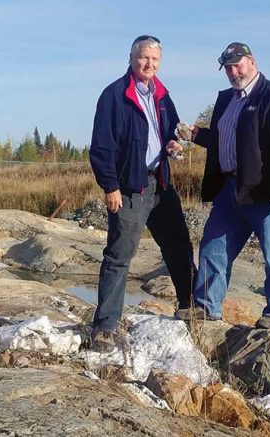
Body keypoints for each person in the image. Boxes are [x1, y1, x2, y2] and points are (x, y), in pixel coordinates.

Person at [176, 42, 270, 329]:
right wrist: (196, 134)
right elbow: (224, 141)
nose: (233, 71)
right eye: (228, 67)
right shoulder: (227, 100)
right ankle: (207, 307)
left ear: (252, 62)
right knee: (213, 245)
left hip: (265, 193)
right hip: (230, 189)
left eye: (238, 64)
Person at [89, 35, 196, 351]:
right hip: (130, 188)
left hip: (161, 183)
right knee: (119, 256)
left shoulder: (162, 95)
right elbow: (101, 147)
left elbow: (172, 132)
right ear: (132, 58)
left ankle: (189, 306)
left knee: (178, 247)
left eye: (154, 60)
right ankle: (105, 327)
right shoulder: (114, 96)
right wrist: (110, 186)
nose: (149, 64)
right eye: (143, 58)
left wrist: (176, 143)